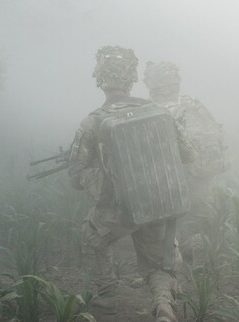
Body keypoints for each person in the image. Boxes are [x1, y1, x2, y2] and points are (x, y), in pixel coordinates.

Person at [68, 46, 195, 322]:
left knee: (92, 240)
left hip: (117, 210)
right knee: (157, 261)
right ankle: (164, 305)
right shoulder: (158, 112)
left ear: (101, 79)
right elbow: (188, 154)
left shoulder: (93, 121)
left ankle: (105, 301)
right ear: (131, 79)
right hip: (157, 201)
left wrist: (103, 183)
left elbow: (76, 174)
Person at [143, 61, 229, 260]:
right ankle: (208, 253)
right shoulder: (192, 104)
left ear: (153, 84)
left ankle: (182, 258)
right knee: (200, 211)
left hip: (177, 175)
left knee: (174, 221)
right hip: (203, 170)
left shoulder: (153, 110)